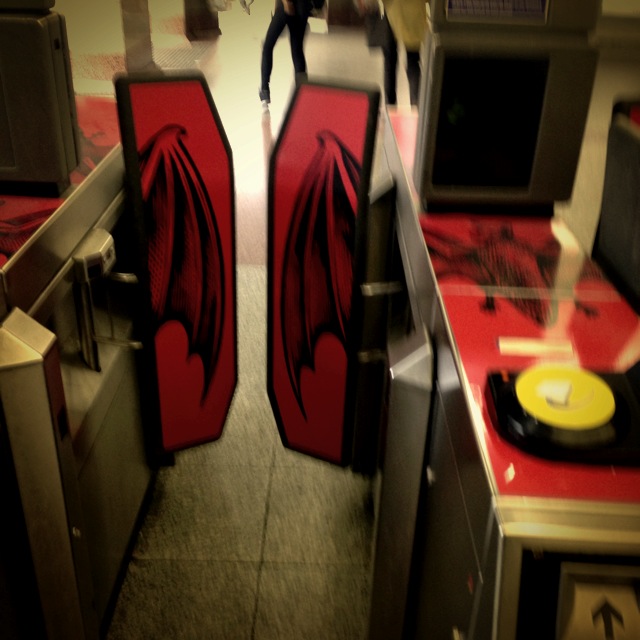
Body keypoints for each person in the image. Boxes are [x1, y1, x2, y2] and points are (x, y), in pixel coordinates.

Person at [259, 0, 312, 111]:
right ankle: (304, 94)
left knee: (268, 46)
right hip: (303, 6)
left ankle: (264, 93)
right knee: (297, 50)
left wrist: (285, 2)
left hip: (287, 6)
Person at [381, 0, 427, 107]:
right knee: (413, 61)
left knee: (390, 62)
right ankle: (416, 104)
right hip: (413, 10)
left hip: (392, 9)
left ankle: (390, 106)